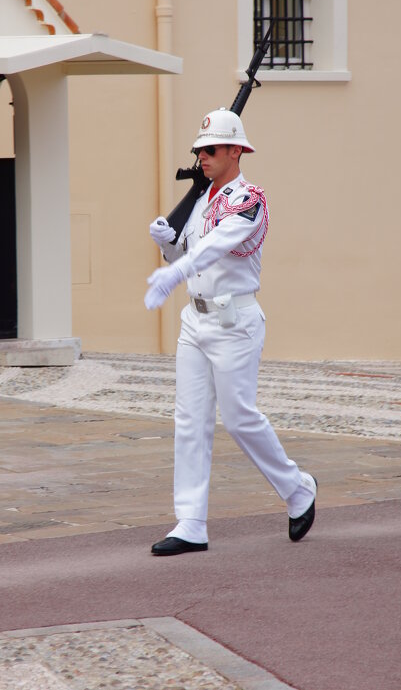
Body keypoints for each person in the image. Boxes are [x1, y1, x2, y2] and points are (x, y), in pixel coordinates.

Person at [145, 107, 317, 556]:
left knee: (239, 418)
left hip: (233, 322)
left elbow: (218, 246)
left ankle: (298, 489)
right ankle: (191, 522)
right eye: (200, 150)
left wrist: (177, 266)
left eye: (213, 149)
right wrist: (168, 244)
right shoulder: (202, 200)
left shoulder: (250, 199)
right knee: (190, 420)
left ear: (237, 150)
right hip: (194, 321)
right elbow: (184, 251)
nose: (203, 156)